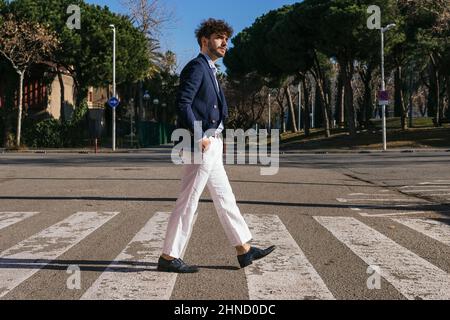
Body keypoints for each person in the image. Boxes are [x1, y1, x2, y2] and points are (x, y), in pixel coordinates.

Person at [157, 18, 275, 273]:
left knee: (225, 198)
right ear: (204, 40)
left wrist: (217, 139)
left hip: (211, 144)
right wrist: (200, 135)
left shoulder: (210, 69)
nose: (225, 44)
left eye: (227, 39)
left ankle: (243, 249)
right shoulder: (196, 67)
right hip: (200, 144)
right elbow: (183, 103)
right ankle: (169, 256)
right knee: (188, 201)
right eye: (220, 38)